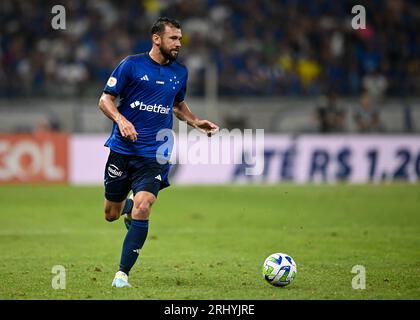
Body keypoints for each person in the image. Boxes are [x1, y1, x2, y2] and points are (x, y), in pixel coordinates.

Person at [98, 17, 219, 288]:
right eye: (173, 38)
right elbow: (105, 99)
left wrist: (195, 121)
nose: (179, 43)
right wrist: (121, 120)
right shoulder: (131, 65)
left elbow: (177, 104)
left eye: (180, 38)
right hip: (122, 149)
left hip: (156, 152)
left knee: (144, 206)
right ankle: (126, 207)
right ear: (156, 39)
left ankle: (121, 275)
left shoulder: (180, 72)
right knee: (110, 214)